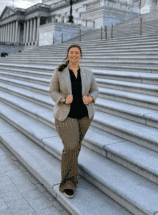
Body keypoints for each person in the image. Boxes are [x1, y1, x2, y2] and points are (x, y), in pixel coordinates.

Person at [49, 44, 99, 199]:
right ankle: (68, 183)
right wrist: (63, 99)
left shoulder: (88, 73)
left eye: (77, 53)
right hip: (66, 116)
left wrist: (90, 98)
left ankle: (71, 172)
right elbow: (52, 91)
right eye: (72, 53)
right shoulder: (60, 72)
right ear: (68, 55)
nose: (74, 55)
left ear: (80, 55)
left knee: (75, 147)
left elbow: (95, 90)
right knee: (70, 147)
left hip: (84, 116)